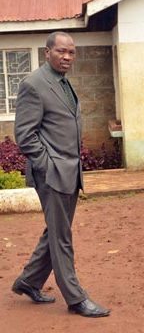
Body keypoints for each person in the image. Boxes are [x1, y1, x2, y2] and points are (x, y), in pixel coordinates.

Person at [12, 31, 110, 318]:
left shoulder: (62, 83)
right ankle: (76, 298)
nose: (67, 57)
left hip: (70, 172)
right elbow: (25, 136)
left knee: (55, 231)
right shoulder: (34, 84)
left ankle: (28, 281)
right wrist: (47, 164)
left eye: (72, 52)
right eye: (61, 52)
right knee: (61, 236)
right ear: (47, 53)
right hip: (53, 173)